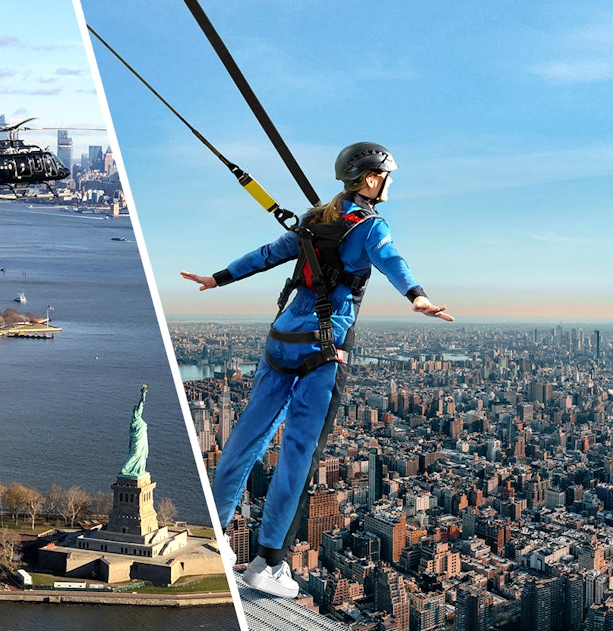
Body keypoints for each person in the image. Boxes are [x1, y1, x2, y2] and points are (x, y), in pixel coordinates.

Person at [182, 142, 453, 598]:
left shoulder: (314, 220)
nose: (388, 183)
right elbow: (392, 261)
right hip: (324, 347)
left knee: (248, 435)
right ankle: (267, 563)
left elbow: (267, 253)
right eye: (385, 175)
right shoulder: (369, 227)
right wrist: (418, 296)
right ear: (370, 178)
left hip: (281, 336)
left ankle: (214, 537)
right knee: (298, 454)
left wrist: (218, 278)